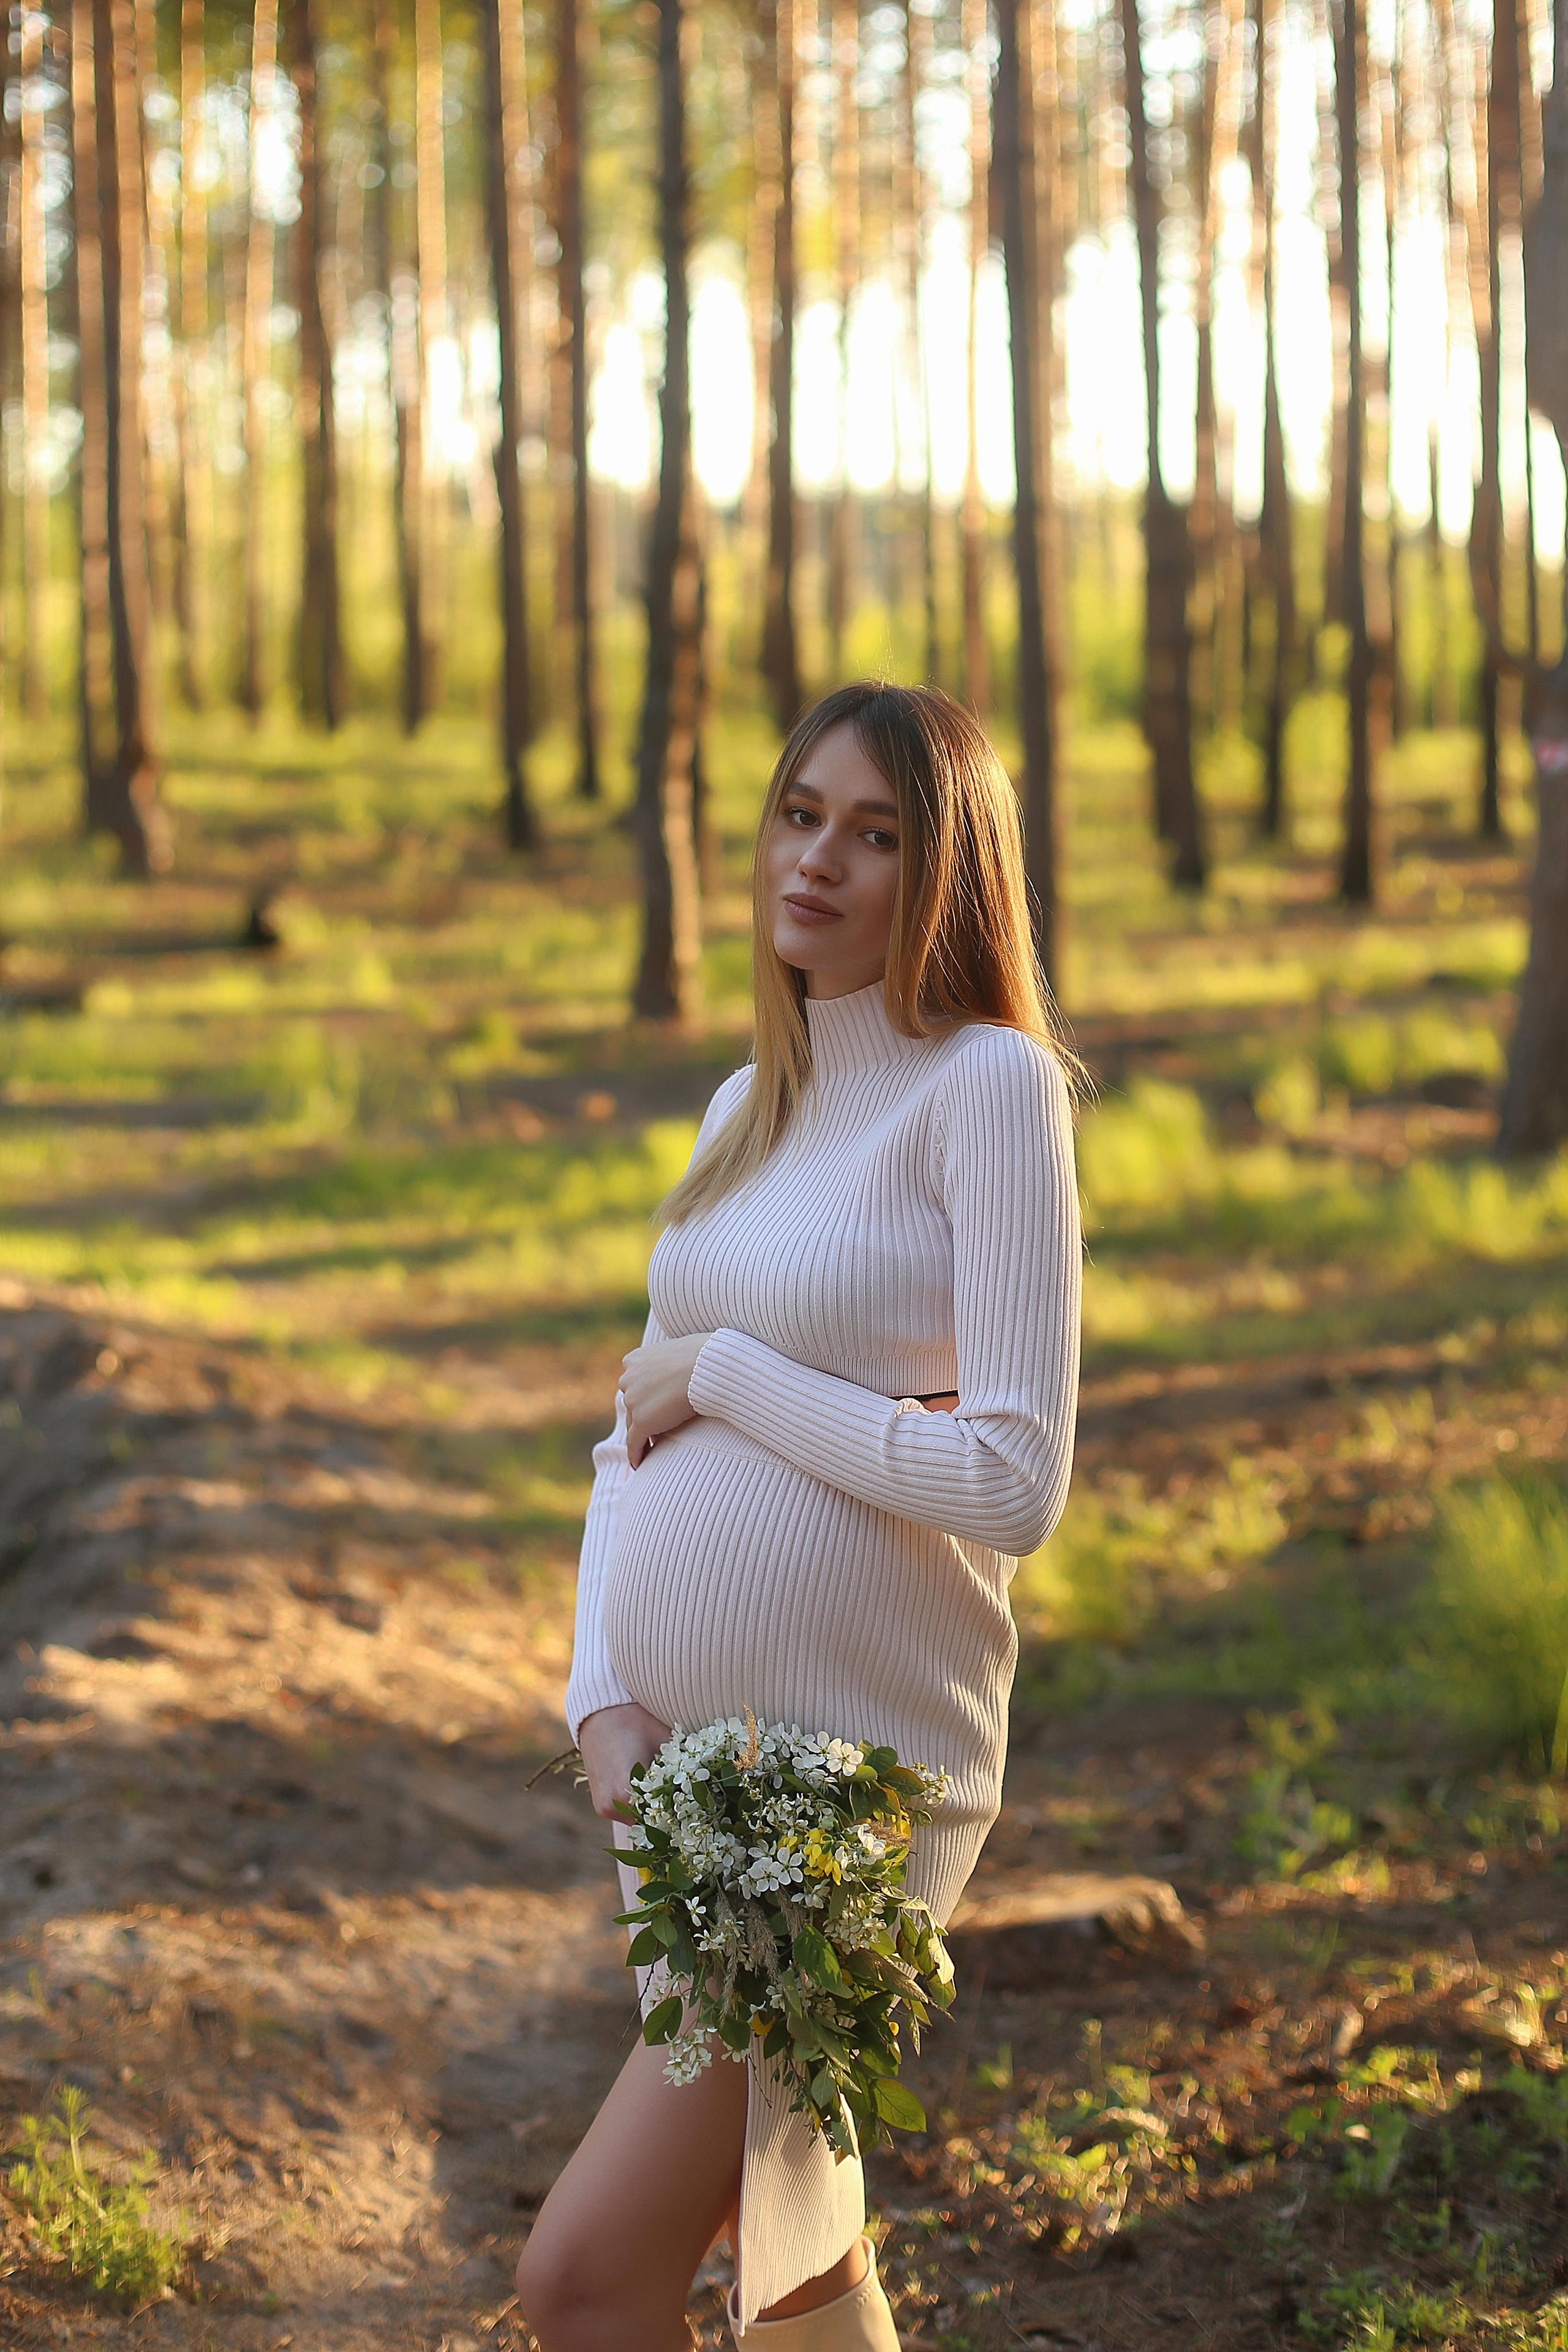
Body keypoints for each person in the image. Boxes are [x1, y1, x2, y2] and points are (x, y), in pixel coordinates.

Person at [515, 681, 1084, 2352]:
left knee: (590, 2276)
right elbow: (633, 1432)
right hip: (690, 1767)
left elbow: (1013, 1477)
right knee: (795, 2255)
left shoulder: (988, 1089)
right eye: (799, 813)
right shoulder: (738, 1110)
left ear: (948, 874)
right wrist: (598, 1701)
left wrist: (740, 1375)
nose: (817, 859)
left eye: (877, 831)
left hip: (843, 1780)